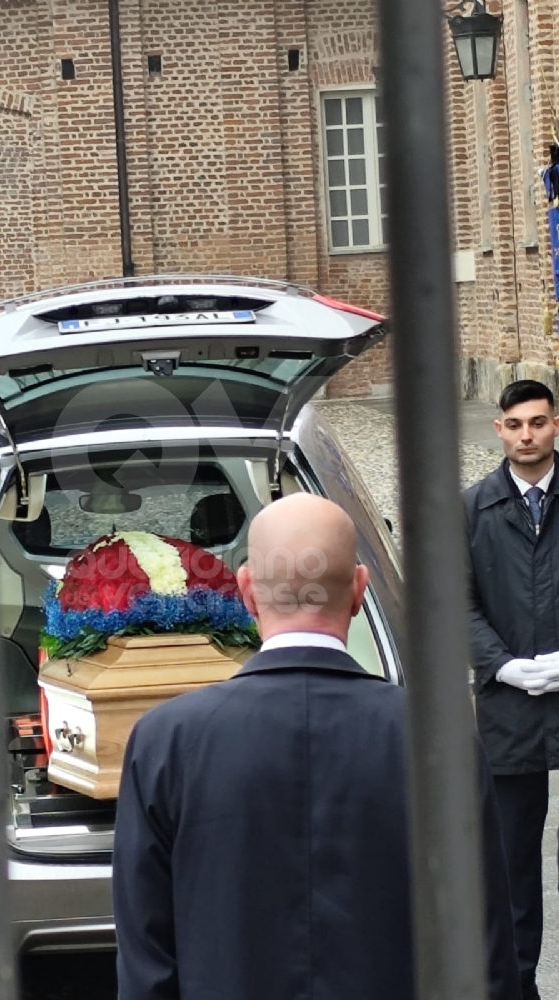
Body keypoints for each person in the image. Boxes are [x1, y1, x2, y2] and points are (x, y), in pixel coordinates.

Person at [113, 493, 519, 1000]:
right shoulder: (438, 740)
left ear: (246, 590)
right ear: (358, 588)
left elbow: (147, 959)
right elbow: (484, 947)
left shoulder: (164, 740)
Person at [465, 379, 559, 1000]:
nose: (527, 435)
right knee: (513, 862)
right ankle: (518, 985)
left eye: (539, 422)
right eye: (516, 424)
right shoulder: (471, 508)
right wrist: (500, 665)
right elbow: (454, 598)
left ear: (556, 425)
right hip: (508, 708)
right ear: (498, 429)